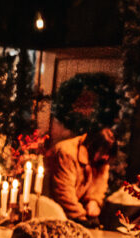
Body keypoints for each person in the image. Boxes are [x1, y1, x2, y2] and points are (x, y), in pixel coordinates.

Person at [46, 72, 120, 225]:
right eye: (104, 154)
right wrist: (82, 218)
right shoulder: (67, 152)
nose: (105, 159)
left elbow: (98, 188)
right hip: (53, 211)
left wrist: (94, 203)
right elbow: (63, 193)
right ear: (94, 147)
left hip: (76, 216)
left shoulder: (101, 161)